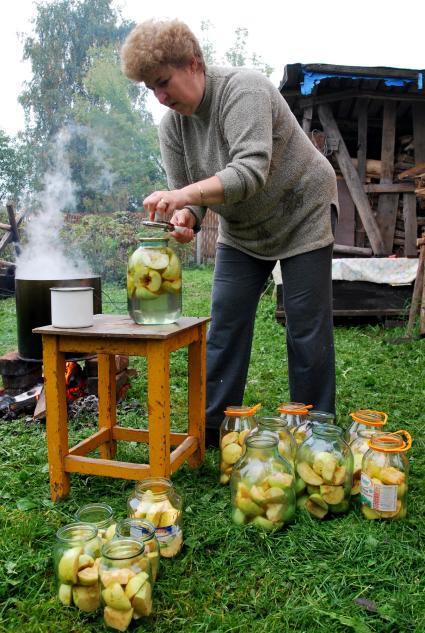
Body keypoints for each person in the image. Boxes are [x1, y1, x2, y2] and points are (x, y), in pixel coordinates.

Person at [121, 19, 339, 447]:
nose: (161, 97)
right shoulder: (172, 127)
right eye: (152, 89)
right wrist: (187, 217)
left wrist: (182, 195)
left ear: (195, 64)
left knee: (305, 327)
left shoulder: (244, 89)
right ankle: (213, 431)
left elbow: (249, 171)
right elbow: (194, 198)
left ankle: (318, 436)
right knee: (224, 323)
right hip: (243, 229)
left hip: (302, 209)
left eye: (164, 82)